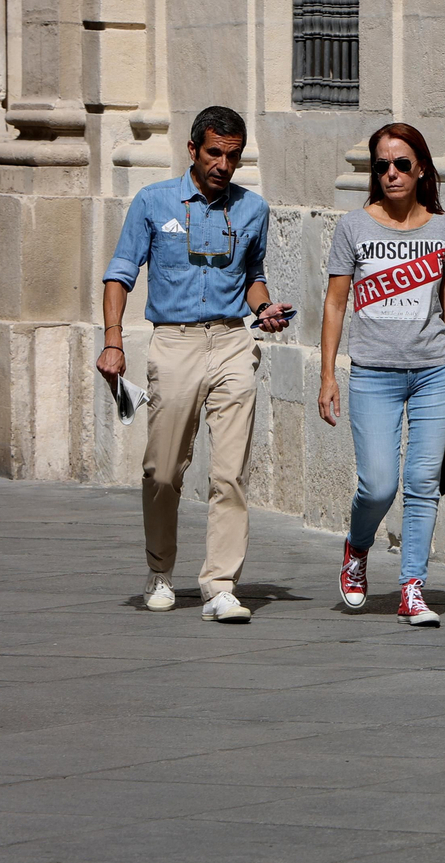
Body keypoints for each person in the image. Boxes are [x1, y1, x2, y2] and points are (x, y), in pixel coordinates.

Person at [95, 106, 295, 623]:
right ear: (192, 150)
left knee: (230, 473)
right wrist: (113, 342)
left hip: (231, 342)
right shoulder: (153, 201)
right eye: (214, 153)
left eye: (232, 156)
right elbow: (120, 273)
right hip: (174, 343)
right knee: (163, 470)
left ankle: (220, 585)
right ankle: (160, 570)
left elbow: (254, 275)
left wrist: (264, 309)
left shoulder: (253, 209)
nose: (223, 166)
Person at [318, 122, 445, 627]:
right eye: (381, 165)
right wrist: (328, 375)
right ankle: (357, 548)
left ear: (420, 169)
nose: (390, 173)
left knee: (423, 480)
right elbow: (335, 304)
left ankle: (412, 587)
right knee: (379, 485)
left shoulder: (443, 229)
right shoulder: (353, 227)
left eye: (401, 164)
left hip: (434, 372)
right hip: (373, 374)